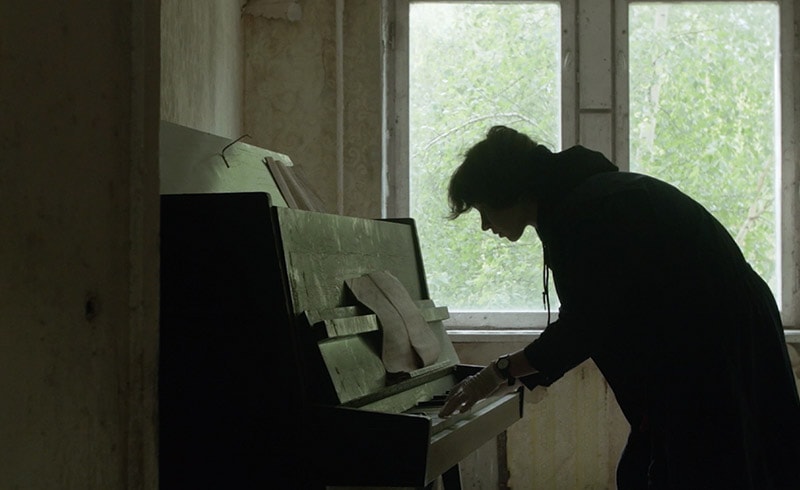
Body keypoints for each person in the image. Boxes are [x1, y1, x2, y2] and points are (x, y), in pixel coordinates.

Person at [438, 125, 800, 489]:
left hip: (715, 345)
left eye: (484, 210)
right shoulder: (584, 198)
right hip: (716, 337)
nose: (485, 225)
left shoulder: (584, 214)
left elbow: (582, 329)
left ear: (507, 192)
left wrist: (497, 372)